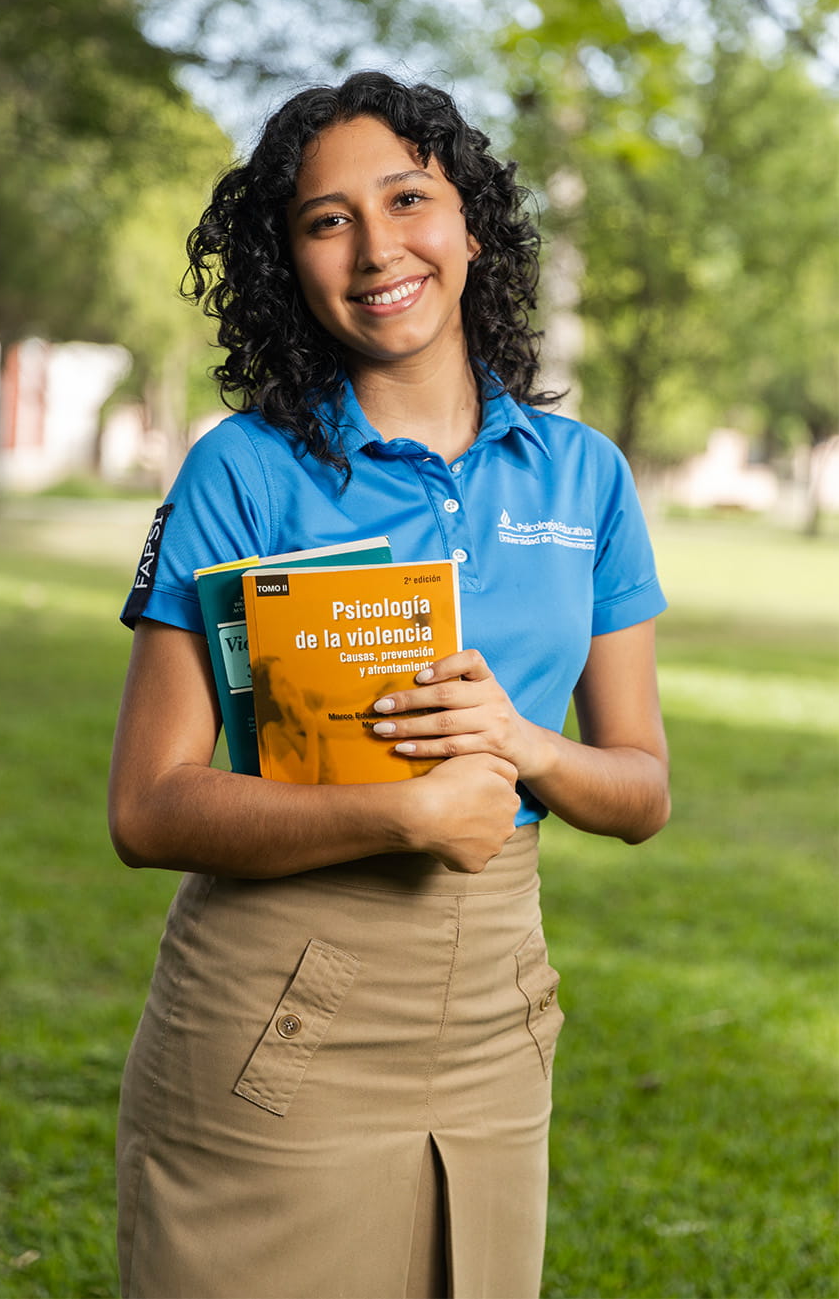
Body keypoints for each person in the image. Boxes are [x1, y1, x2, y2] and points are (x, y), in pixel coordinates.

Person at [109, 71, 670, 1299]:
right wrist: (400, 813)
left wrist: (528, 749)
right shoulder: (241, 474)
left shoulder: (585, 479)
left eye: (408, 198)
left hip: (496, 1019)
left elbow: (639, 788)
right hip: (280, 1016)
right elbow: (148, 809)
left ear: (470, 224)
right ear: (290, 264)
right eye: (325, 220)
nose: (376, 249)